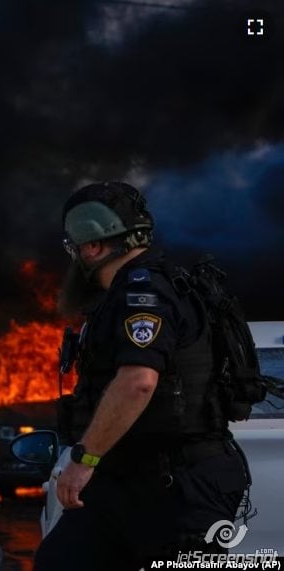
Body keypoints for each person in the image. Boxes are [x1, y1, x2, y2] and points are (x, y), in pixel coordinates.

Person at [35, 182, 250, 570]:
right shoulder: (137, 291)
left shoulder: (144, 294)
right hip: (125, 482)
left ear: (94, 246)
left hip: (178, 489)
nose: (75, 259)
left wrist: (83, 460)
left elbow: (138, 382)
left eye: (75, 247)